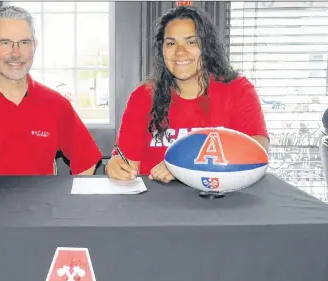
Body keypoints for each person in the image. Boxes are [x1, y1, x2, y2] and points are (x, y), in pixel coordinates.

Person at [0, 5, 102, 176]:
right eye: (5, 42)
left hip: (42, 204)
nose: (15, 53)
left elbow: (87, 160)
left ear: (34, 46)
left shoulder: (55, 104)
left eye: (24, 42)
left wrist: (65, 201)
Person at [105, 5, 269, 183]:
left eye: (191, 42)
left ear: (207, 47)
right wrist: (116, 167)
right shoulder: (142, 96)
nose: (180, 52)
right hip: (154, 205)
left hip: (219, 204)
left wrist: (182, 165)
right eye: (171, 43)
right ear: (162, 51)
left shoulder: (239, 90)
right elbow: (126, 163)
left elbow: (258, 152)